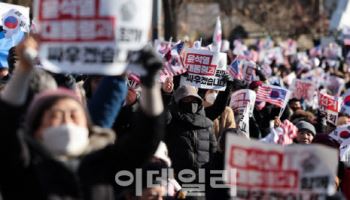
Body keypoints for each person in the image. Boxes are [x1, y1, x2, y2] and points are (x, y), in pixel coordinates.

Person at [0, 37, 165, 200]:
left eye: (73, 115)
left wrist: (150, 82)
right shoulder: (24, 167)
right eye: (55, 115)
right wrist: (23, 69)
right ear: (37, 129)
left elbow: (146, 138)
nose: (66, 120)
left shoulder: (103, 165)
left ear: (87, 126)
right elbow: (5, 124)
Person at [164, 85, 217, 184]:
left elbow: (213, 151)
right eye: (187, 99)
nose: (191, 103)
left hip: (202, 178)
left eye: (194, 99)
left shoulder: (207, 124)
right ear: (178, 102)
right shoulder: (171, 122)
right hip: (177, 178)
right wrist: (167, 94)